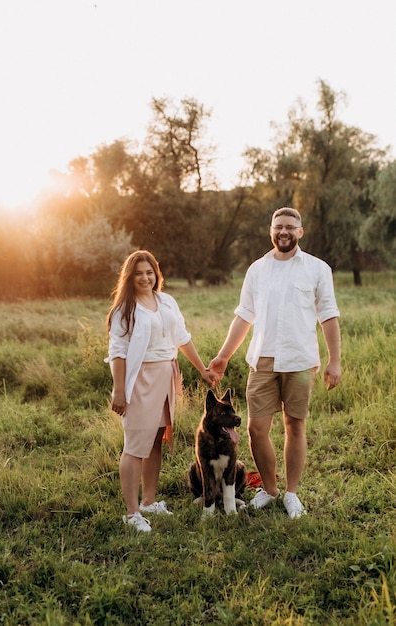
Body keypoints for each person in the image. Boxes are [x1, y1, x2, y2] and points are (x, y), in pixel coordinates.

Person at [209, 207, 341, 519]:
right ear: (271, 230)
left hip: (300, 360)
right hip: (262, 359)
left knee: (295, 425)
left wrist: (334, 361)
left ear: (300, 231)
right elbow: (244, 316)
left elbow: (329, 316)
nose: (284, 232)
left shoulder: (318, 269)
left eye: (290, 227)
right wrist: (224, 355)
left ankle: (291, 494)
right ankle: (269, 489)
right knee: (255, 429)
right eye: (279, 227)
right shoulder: (257, 269)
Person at [106, 250, 218, 532]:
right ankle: (132, 514)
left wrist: (203, 369)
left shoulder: (166, 301)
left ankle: (149, 501)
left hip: (166, 373)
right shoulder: (124, 310)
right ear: (129, 277)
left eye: (149, 272)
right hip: (141, 378)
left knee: (155, 439)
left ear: (157, 274)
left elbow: (182, 338)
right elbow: (118, 352)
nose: (145, 278)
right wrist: (119, 390)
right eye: (139, 273)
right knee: (134, 446)